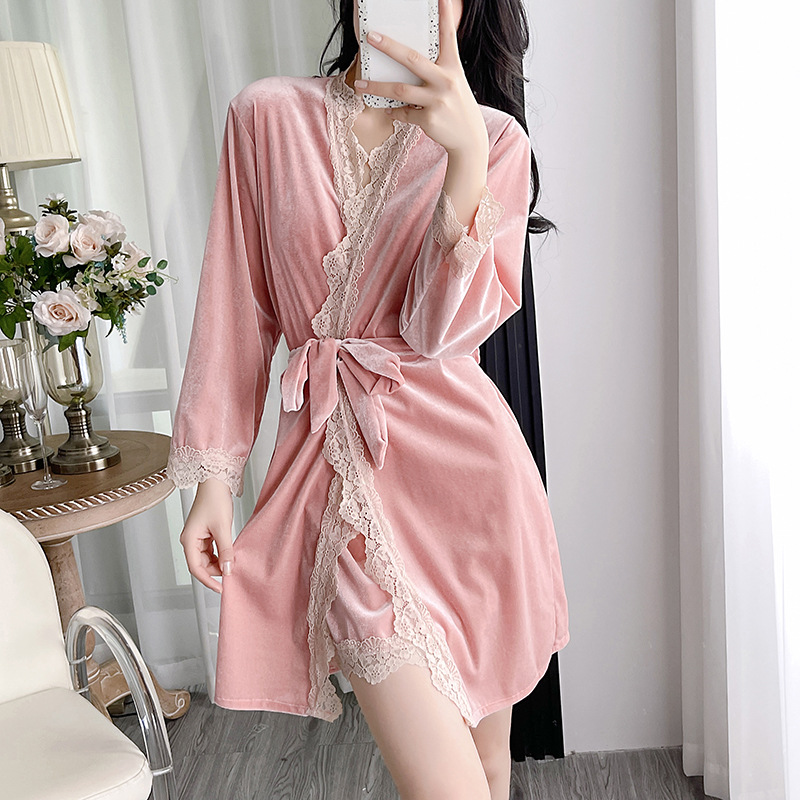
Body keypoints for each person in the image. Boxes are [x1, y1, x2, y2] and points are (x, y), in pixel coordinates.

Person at [165, 0, 570, 798]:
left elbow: (439, 332)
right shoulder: (266, 116)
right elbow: (234, 312)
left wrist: (462, 157)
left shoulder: (494, 141)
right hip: (339, 483)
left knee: (489, 770)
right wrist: (212, 479)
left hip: (474, 491)